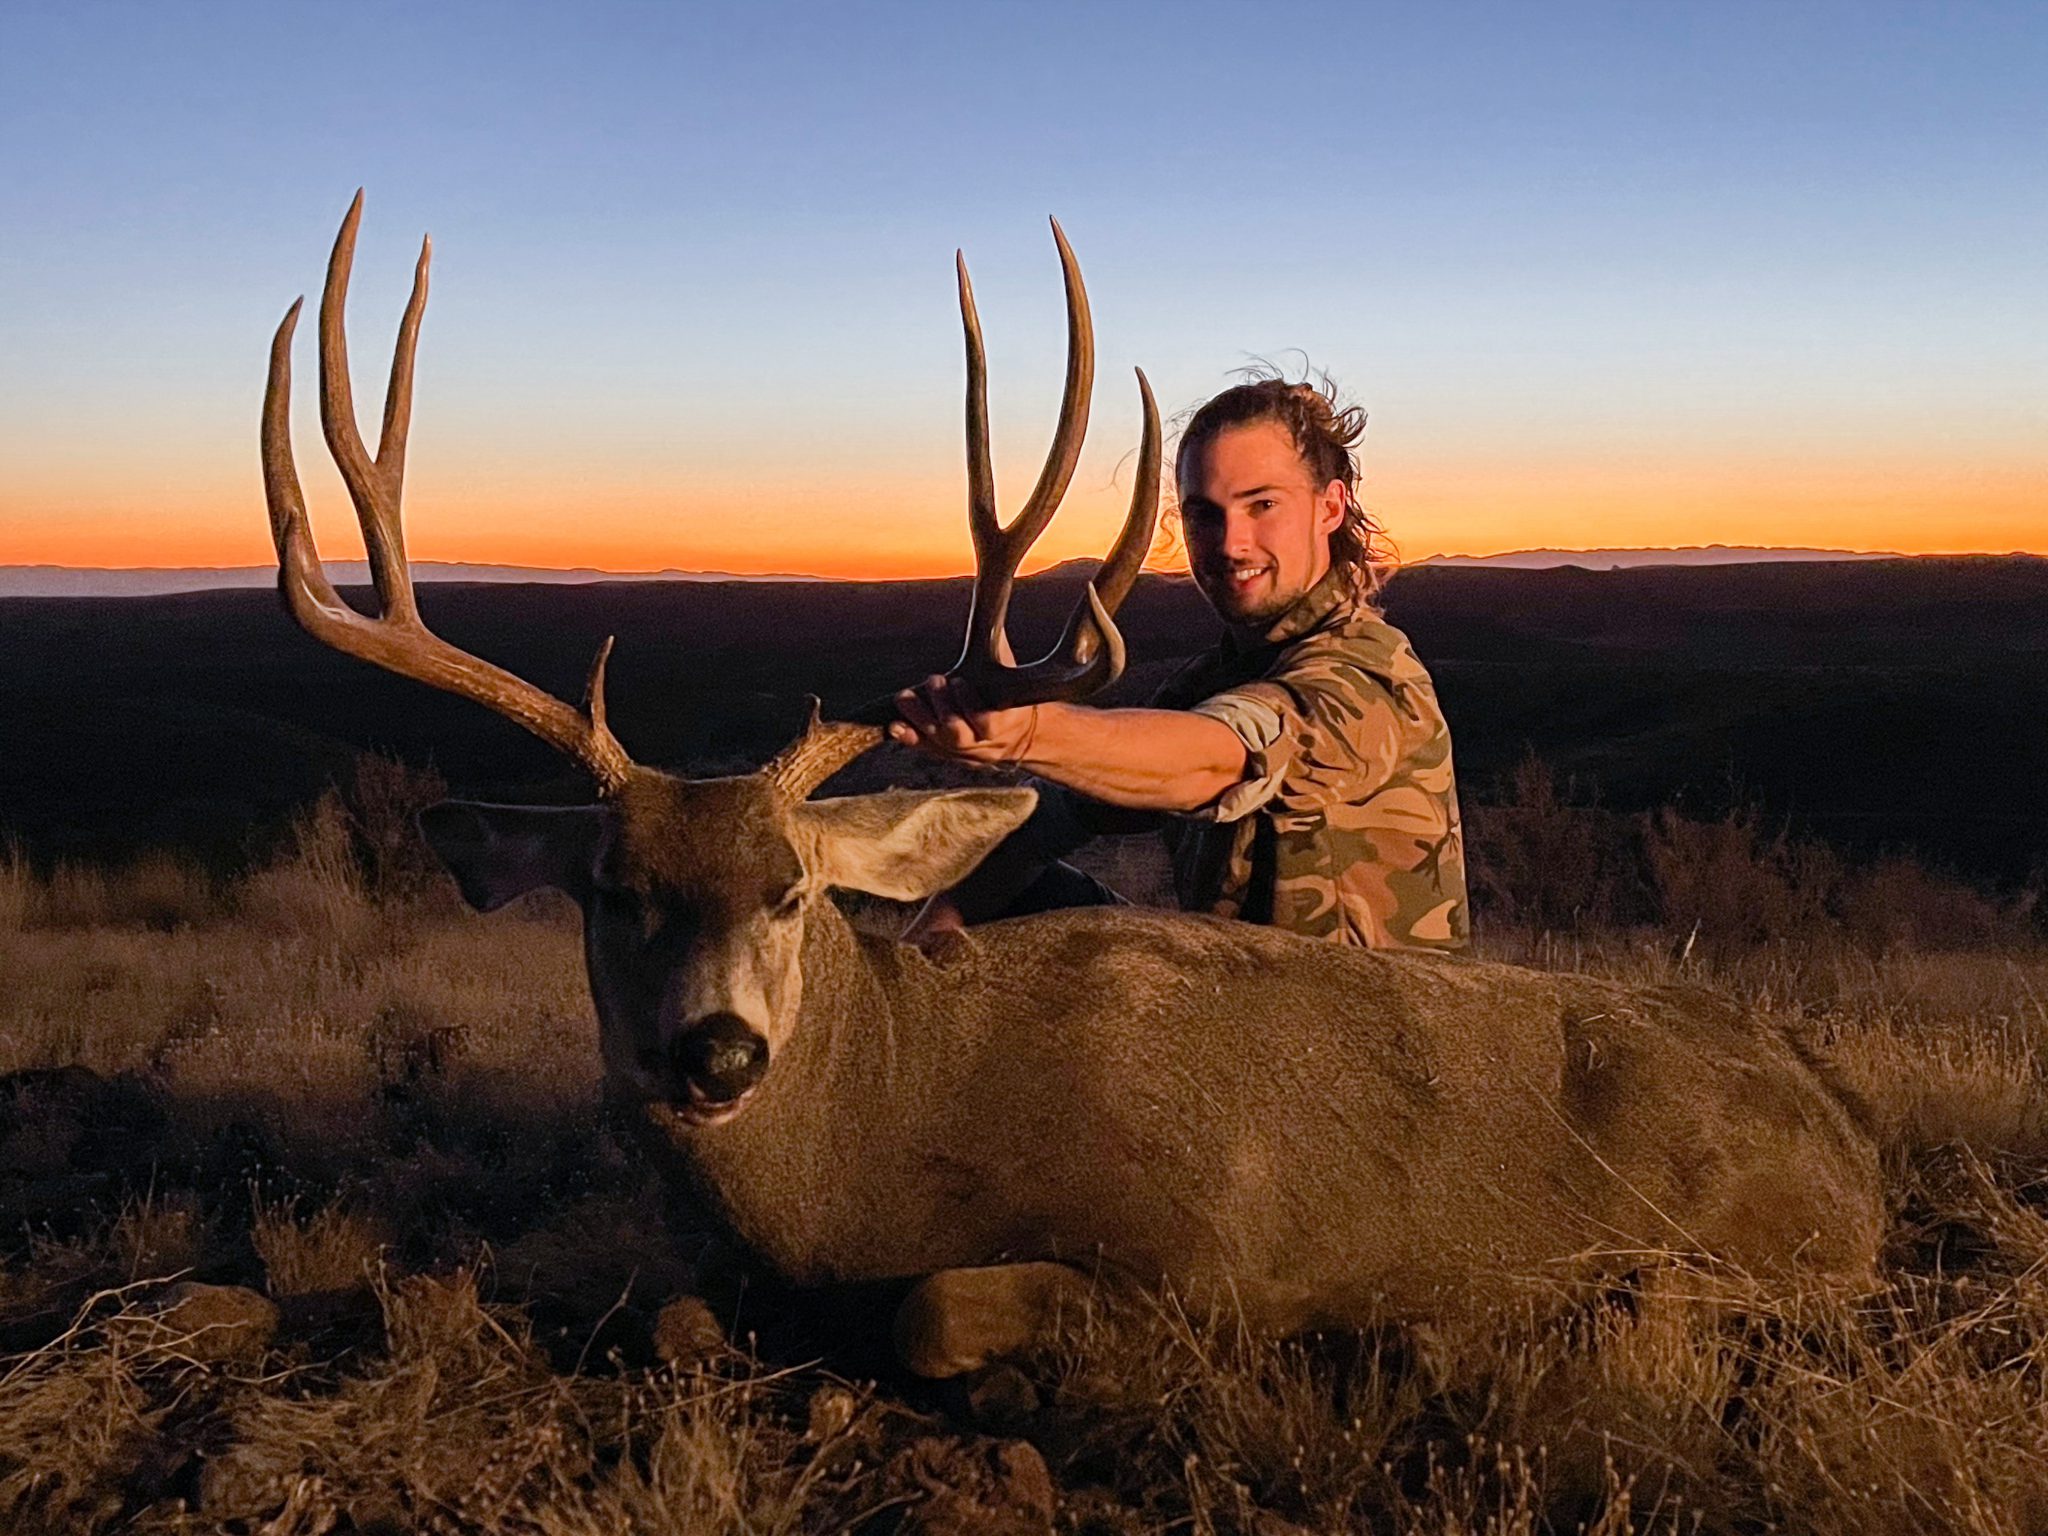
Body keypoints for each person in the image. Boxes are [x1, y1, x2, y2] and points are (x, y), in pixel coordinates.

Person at [889, 374, 1468, 952]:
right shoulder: (1211, 679)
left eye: (1262, 505)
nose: (1230, 543)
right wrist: (914, 955)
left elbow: (1221, 758)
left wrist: (1033, 732)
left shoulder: (1370, 672)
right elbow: (1056, 815)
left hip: (1361, 1024)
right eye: (1204, 515)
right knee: (1016, 883)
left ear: (1330, 507)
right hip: (1233, 995)